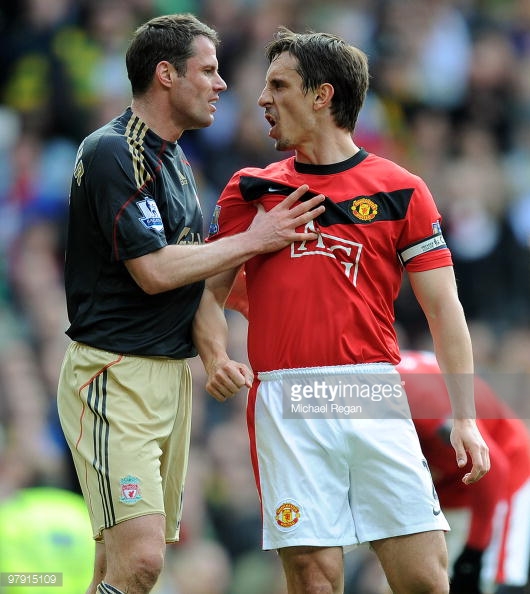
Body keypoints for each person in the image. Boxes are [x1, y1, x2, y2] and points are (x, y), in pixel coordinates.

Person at [192, 27, 490, 594]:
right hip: (285, 396)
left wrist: (467, 418)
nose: (261, 99)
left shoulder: (401, 189)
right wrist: (215, 356)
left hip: (370, 389)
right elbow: (208, 293)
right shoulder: (250, 188)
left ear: (322, 96)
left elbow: (444, 310)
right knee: (312, 579)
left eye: (278, 85)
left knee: (426, 578)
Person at [56, 14, 325, 594]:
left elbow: (195, 284)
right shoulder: (111, 152)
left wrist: (216, 353)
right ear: (165, 75)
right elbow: (154, 272)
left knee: (117, 565)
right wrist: (257, 237)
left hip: (169, 380)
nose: (222, 84)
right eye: (208, 70)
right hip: (112, 375)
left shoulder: (179, 164)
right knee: (143, 561)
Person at [397, 350, 530, 594]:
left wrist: (474, 551)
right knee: (415, 579)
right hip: (445, 478)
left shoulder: (421, 403)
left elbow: (494, 468)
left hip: (501, 467)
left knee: (491, 578)